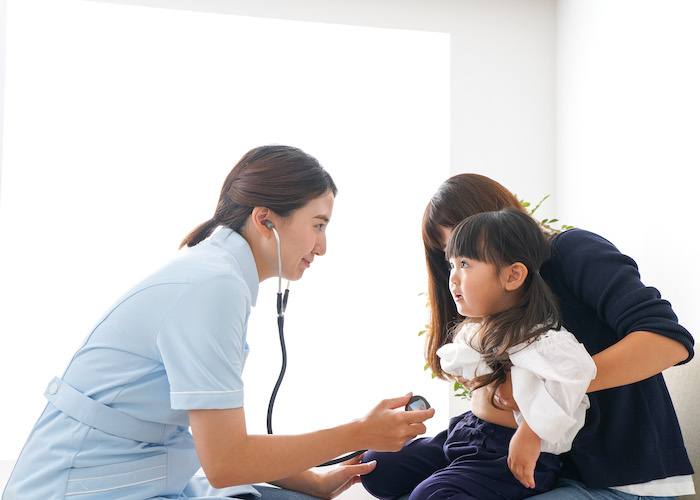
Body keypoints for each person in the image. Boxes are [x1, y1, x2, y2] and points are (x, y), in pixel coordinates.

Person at [2, 145, 434, 500]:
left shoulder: (218, 276)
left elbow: (213, 441)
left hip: (136, 477)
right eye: (318, 225)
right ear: (266, 220)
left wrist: (313, 480)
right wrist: (360, 432)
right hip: (81, 487)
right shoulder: (214, 287)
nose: (323, 246)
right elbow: (227, 461)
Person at [361, 173, 695, 499]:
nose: (457, 274)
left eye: (467, 255)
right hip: (525, 449)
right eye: (450, 255)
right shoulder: (495, 298)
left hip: (613, 474)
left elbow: (668, 341)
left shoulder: (571, 252)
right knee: (377, 468)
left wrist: (545, 388)